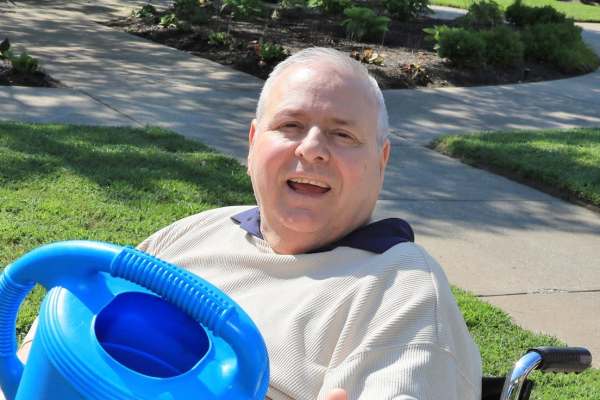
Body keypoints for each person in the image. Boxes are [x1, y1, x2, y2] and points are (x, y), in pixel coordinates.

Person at [15, 47, 481, 400]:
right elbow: (67, 325)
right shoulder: (202, 231)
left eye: (343, 134)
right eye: (291, 126)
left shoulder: (401, 290)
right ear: (254, 143)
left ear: (381, 161)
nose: (312, 149)